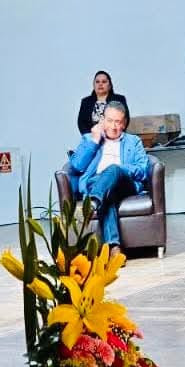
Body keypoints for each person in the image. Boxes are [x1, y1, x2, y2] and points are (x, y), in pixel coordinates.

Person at [68, 101, 150, 252]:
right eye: (110, 120)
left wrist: (120, 169)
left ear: (124, 123)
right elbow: (77, 166)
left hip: (125, 183)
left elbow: (142, 170)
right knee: (108, 195)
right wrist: (94, 141)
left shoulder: (133, 141)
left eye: (117, 122)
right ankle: (114, 248)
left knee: (113, 169)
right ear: (102, 120)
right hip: (96, 182)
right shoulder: (89, 138)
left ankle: (92, 203)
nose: (113, 126)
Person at [76, 70, 130, 135]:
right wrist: (90, 137)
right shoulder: (86, 102)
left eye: (104, 82)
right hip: (92, 138)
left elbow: (125, 119)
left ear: (110, 85)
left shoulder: (119, 99)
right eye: (97, 82)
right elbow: (81, 123)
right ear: (93, 85)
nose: (100, 84)